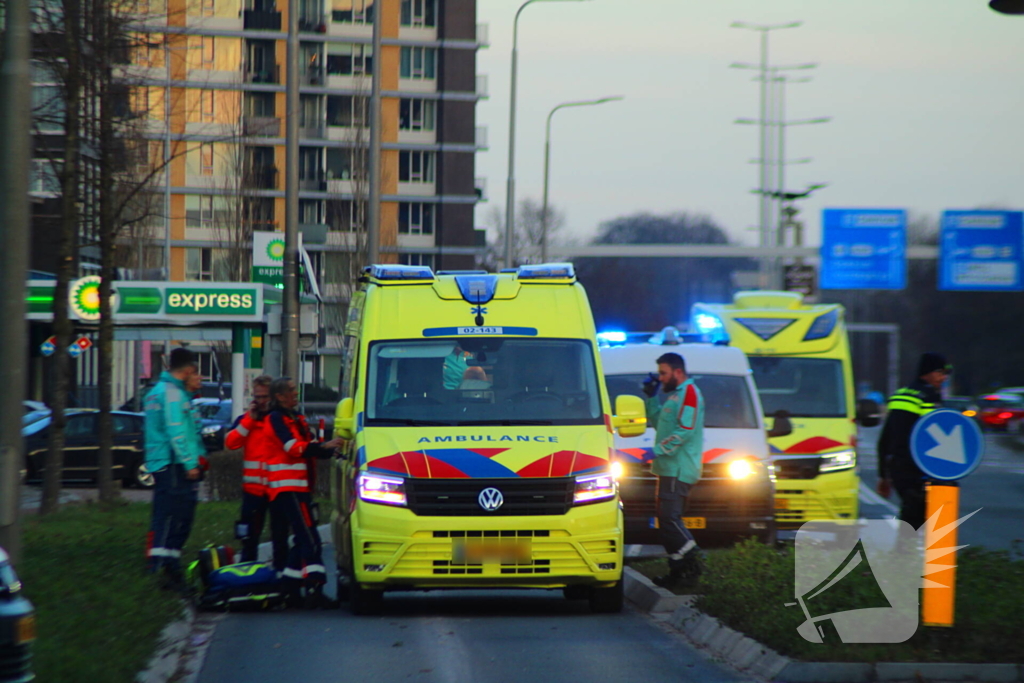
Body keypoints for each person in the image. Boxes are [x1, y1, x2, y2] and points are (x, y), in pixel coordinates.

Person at [264, 377, 343, 608]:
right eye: (290, 390)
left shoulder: (293, 418)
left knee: (302, 540)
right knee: (311, 541)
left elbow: (310, 448)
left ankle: (289, 588)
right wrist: (322, 447)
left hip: (297, 488)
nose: (296, 393)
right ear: (279, 396)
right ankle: (315, 589)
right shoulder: (276, 418)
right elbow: (292, 448)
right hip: (288, 489)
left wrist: (331, 450)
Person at [642, 352, 706, 587]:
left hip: (678, 468)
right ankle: (678, 574)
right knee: (666, 522)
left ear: (677, 372)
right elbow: (660, 423)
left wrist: (657, 450)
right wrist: (651, 398)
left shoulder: (689, 393)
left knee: (670, 520)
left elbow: (685, 430)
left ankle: (697, 562)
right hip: (667, 468)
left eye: (663, 373)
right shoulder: (674, 396)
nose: (660, 378)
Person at [144, 348, 206, 592]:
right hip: (172, 463)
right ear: (188, 369)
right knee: (175, 516)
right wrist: (190, 464)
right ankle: (166, 570)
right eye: (196, 371)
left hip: (164, 461)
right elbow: (176, 432)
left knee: (166, 515)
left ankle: (163, 566)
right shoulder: (172, 394)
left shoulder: (160, 391)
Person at [876, 352, 951, 529]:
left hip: (899, 469)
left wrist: (883, 475)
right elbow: (937, 438)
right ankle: (905, 554)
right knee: (918, 516)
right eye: (940, 372)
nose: (944, 377)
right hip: (919, 468)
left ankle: (905, 552)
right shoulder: (930, 397)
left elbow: (885, 438)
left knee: (912, 515)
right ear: (927, 372)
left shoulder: (899, 395)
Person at [224, 375, 289, 568]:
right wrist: (249, 422)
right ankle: (247, 578)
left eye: (264, 397)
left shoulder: (283, 420)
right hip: (253, 492)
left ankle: (281, 579)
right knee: (248, 539)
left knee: (280, 538)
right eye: (257, 397)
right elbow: (230, 443)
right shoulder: (245, 420)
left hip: (278, 489)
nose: (260, 401)